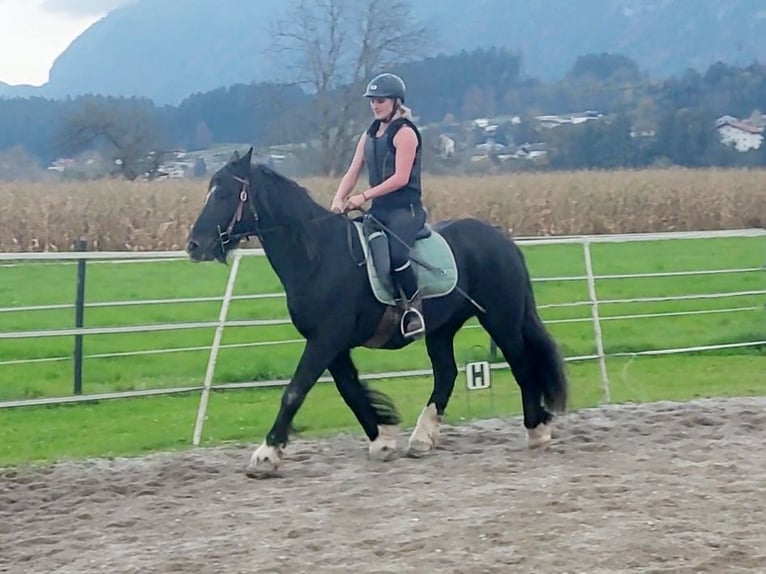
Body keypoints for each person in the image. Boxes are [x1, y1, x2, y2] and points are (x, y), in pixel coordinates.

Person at [331, 72, 427, 339]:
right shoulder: (370, 134)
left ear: (396, 101)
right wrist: (338, 200)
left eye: (380, 100)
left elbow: (400, 177)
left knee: (397, 256)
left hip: (405, 211)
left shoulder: (405, 133)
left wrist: (363, 197)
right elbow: (353, 170)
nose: (375, 105)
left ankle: (413, 308)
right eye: (372, 100)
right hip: (379, 211)